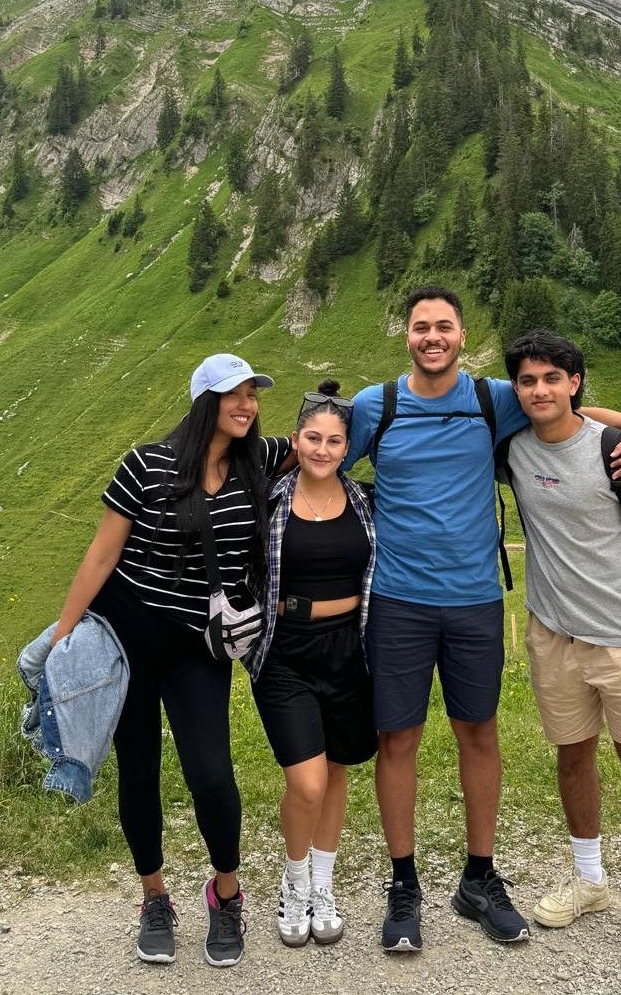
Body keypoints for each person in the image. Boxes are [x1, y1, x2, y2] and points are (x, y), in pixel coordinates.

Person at [342, 285, 621, 953]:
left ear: (461, 334)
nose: (433, 336)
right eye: (421, 326)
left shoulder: (494, 398)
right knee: (397, 741)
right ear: (407, 335)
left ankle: (479, 878)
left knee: (478, 735)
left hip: (476, 600)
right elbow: (320, 460)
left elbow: (566, 405)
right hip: (398, 599)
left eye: (444, 326)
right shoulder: (379, 405)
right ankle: (404, 883)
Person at [49, 352, 291, 970]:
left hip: (196, 648)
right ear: (203, 401)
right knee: (140, 770)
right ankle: (154, 898)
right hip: (126, 644)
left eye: (252, 396)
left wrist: (567, 414)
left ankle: (226, 894)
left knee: (211, 772)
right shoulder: (146, 465)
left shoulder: (257, 461)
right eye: (234, 396)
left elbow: (335, 430)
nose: (247, 406)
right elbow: (103, 555)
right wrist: (62, 637)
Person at [502, 329, 621, 969]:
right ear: (517, 389)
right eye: (528, 380)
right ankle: (590, 879)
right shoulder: (514, 450)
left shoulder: (618, 451)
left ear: (575, 383)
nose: (540, 389)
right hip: (553, 634)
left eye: (553, 377)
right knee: (572, 758)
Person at [248, 381, 377, 949]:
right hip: (285, 649)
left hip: (349, 648)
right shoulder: (267, 496)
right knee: (307, 780)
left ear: (347, 446)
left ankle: (323, 881)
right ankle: (294, 877)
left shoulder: (366, 499)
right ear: (294, 439)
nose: (323, 449)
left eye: (334, 440)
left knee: (340, 768)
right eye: (312, 437)